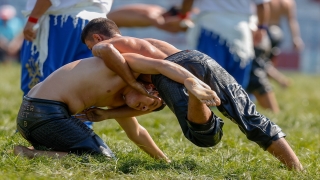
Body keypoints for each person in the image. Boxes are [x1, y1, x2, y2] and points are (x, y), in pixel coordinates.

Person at [80, 18, 303, 171]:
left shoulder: (107, 45)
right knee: (249, 116)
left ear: (98, 38)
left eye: (90, 46)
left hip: (168, 71)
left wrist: (132, 83)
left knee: (202, 136)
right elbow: (157, 102)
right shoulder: (147, 42)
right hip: (197, 58)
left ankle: (195, 95)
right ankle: (297, 169)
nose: (93, 52)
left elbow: (106, 50)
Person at [14, 42, 219, 161]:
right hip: (44, 113)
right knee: (103, 159)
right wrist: (189, 81)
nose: (145, 107)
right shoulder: (123, 66)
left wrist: (165, 161)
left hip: (33, 119)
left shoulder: (116, 99)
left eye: (149, 110)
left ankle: (36, 152)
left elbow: (137, 133)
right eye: (151, 102)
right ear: (150, 87)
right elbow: (161, 65)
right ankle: (27, 153)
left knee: (92, 155)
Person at [19, 0, 114, 128]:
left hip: (60, 20)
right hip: (96, 23)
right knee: (85, 82)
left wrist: (33, 18)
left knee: (40, 77)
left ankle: (36, 126)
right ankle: (81, 130)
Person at [169, 0, 271, 90]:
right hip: (240, 29)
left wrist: (183, 15)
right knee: (237, 75)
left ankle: (211, 106)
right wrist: (261, 27)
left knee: (208, 72)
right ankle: (237, 107)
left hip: (211, 26)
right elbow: (262, 5)